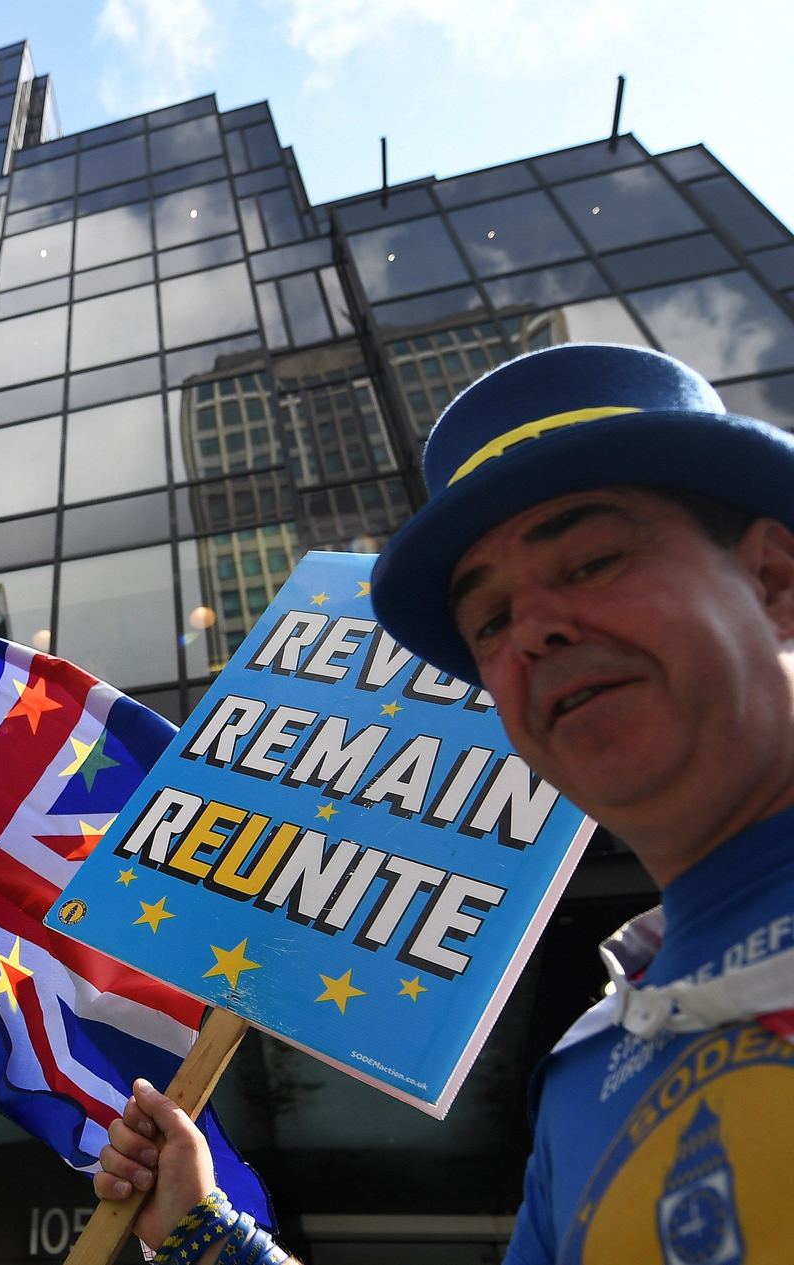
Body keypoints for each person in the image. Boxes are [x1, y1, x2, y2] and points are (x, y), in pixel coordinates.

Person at [94, 342, 794, 1263]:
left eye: (592, 561)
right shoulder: (592, 1066)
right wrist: (204, 1234)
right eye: (489, 619)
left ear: (774, 579)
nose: (534, 630)